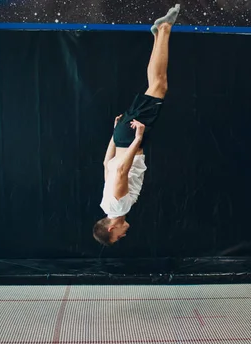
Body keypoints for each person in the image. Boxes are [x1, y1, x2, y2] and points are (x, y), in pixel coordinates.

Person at [93, 4, 181, 246]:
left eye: (118, 236)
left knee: (159, 86)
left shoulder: (119, 205)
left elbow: (121, 170)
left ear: (111, 228)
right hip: (122, 136)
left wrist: (137, 139)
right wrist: (114, 134)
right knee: (155, 86)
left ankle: (164, 28)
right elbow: (107, 164)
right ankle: (158, 34)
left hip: (130, 137)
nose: (123, 236)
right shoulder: (105, 205)